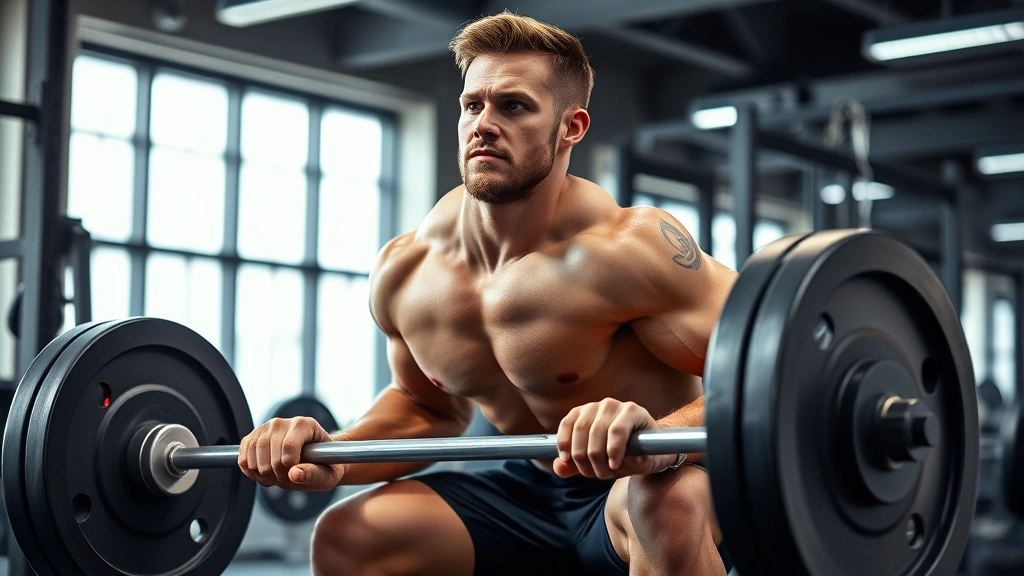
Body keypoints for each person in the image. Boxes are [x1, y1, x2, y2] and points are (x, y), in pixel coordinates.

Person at [238, 11, 738, 576]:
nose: (484, 123)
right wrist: (335, 454)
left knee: (665, 501)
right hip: (530, 482)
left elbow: (765, 373)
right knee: (351, 535)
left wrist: (662, 436)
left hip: (643, 480)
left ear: (571, 127)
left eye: (514, 106)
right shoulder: (408, 270)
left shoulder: (631, 249)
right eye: (472, 105)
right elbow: (425, 406)